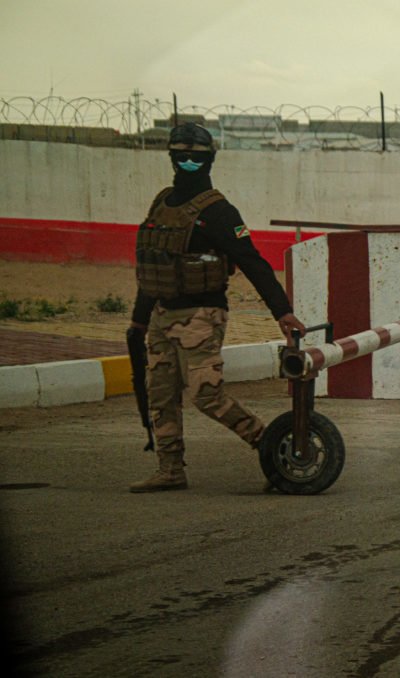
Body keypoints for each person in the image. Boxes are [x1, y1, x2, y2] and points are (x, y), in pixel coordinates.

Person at [128, 122, 305, 493]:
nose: (189, 161)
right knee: (160, 395)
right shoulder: (162, 202)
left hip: (201, 315)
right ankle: (170, 470)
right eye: (182, 155)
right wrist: (140, 320)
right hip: (162, 314)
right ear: (172, 157)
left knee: (206, 396)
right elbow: (155, 264)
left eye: (197, 156)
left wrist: (281, 312)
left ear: (210, 160)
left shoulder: (219, 211)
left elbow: (252, 261)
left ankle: (272, 448)